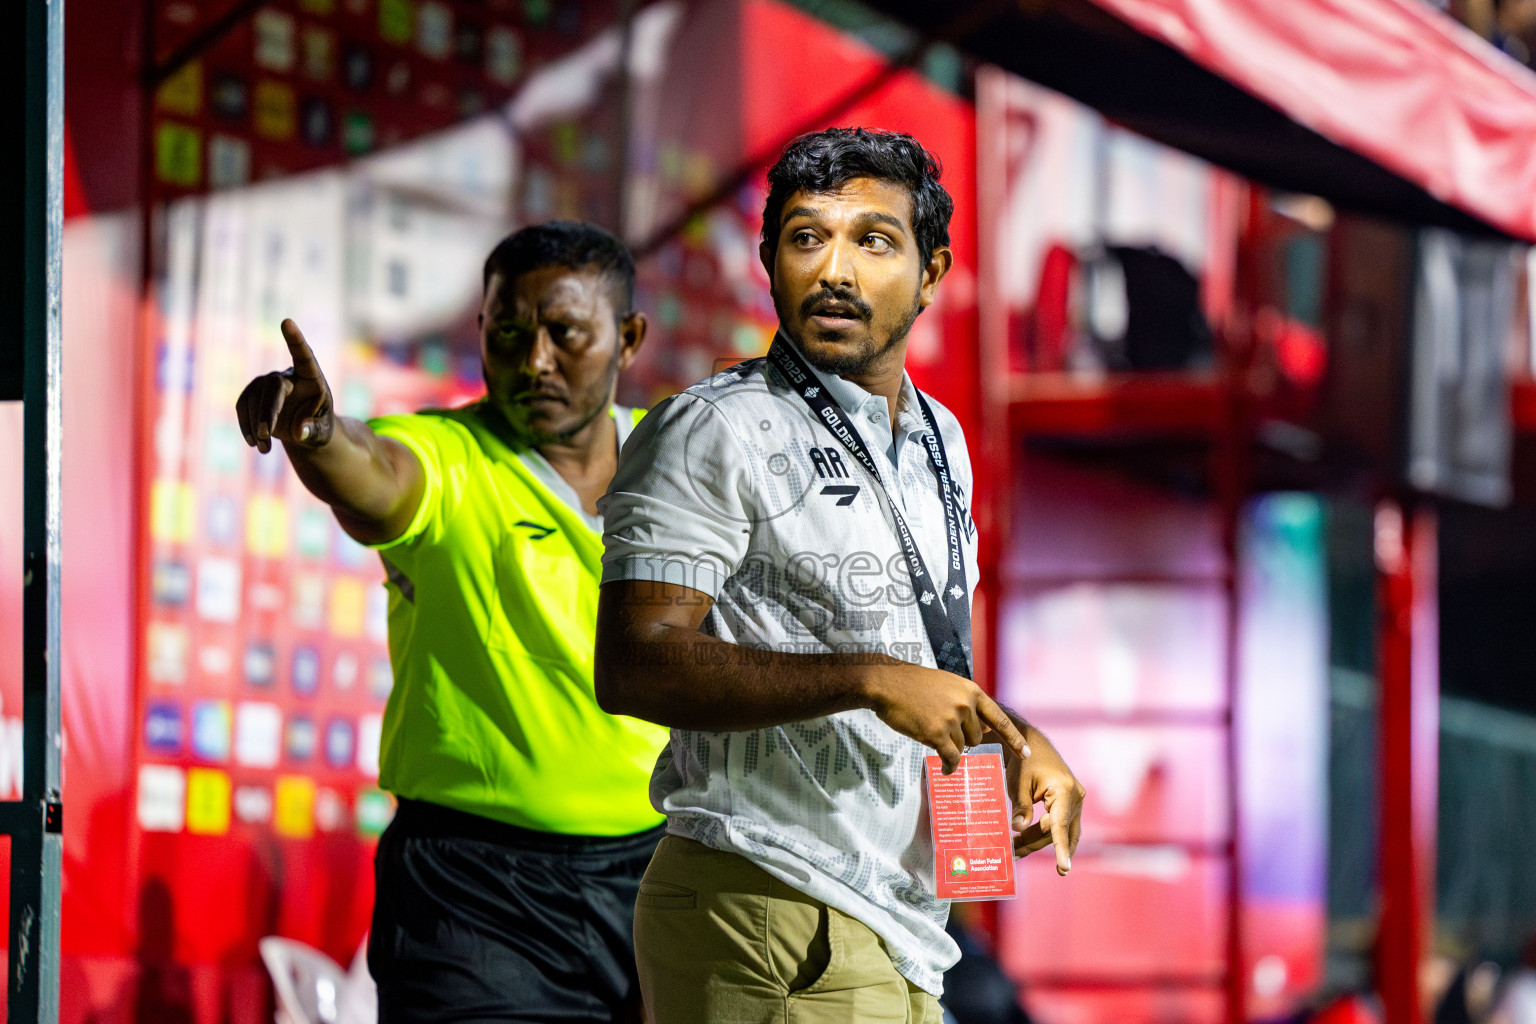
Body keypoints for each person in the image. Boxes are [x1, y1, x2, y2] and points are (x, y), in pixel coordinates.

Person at [594, 127, 1085, 1022]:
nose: (834, 270)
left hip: (899, 919)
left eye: (874, 240)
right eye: (807, 237)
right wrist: (867, 682)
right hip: (766, 896)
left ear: (932, 272)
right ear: (770, 261)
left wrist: (1016, 740)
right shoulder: (713, 428)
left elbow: (920, 657)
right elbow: (634, 663)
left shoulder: (940, 439)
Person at [235, 221, 669, 1023]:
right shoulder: (446, 455)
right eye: (507, 333)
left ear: (629, 337)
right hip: (473, 894)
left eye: (565, 333)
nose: (533, 360)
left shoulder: (679, 466)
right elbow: (374, 475)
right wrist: (319, 435)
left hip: (656, 883)